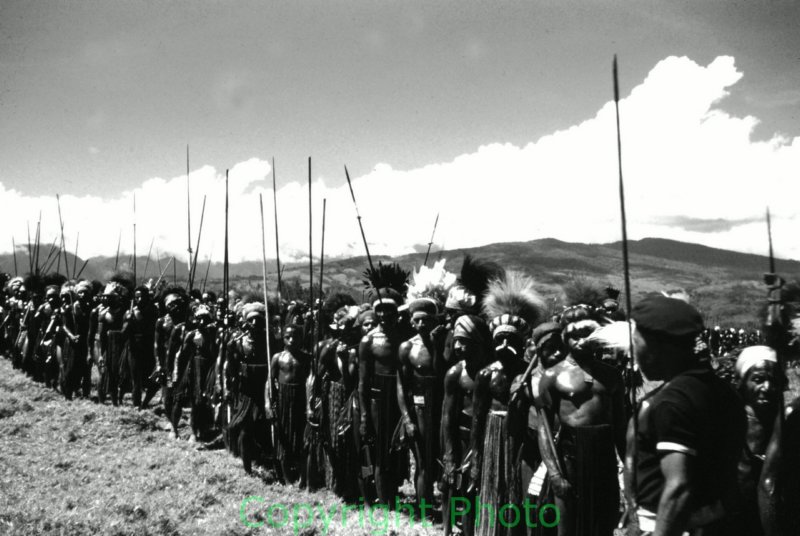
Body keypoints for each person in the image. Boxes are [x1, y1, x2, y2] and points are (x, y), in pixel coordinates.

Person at [630, 295, 745, 535]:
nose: (634, 353)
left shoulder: (671, 403)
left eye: (636, 342)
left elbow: (678, 489)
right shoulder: (723, 391)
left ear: (655, 346)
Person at [536, 306, 626, 536]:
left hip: (604, 456)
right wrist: (555, 474)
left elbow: (621, 426)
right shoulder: (552, 376)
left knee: (603, 523)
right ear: (565, 338)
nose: (581, 341)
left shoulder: (612, 376)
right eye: (574, 336)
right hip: (570, 457)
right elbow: (544, 428)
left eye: (587, 334)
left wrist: (628, 467)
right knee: (568, 524)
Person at [441, 314, 492, 536]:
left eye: (464, 341)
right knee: (458, 485)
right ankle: (450, 528)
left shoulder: (494, 370)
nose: (457, 347)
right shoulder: (456, 373)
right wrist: (450, 453)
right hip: (462, 439)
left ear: (479, 342)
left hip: (489, 437)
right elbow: (448, 416)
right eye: (456, 341)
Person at [397, 296, 447, 508]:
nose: (421, 324)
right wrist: (407, 419)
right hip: (419, 409)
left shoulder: (443, 346)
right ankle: (423, 506)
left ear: (434, 321)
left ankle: (434, 500)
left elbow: (441, 374)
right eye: (417, 320)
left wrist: (436, 346)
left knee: (438, 459)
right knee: (422, 460)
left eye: (426, 320)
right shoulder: (407, 347)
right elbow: (401, 385)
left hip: (440, 408)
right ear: (411, 322)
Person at [271, 324, 311, 484]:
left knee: (301, 438)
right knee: (284, 438)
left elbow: (310, 380)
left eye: (295, 336)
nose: (292, 340)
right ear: (283, 338)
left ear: (301, 338)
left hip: (301, 398)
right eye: (288, 337)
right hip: (283, 399)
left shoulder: (307, 358)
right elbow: (270, 381)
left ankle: (303, 477)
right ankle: (287, 478)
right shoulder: (277, 357)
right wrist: (269, 403)